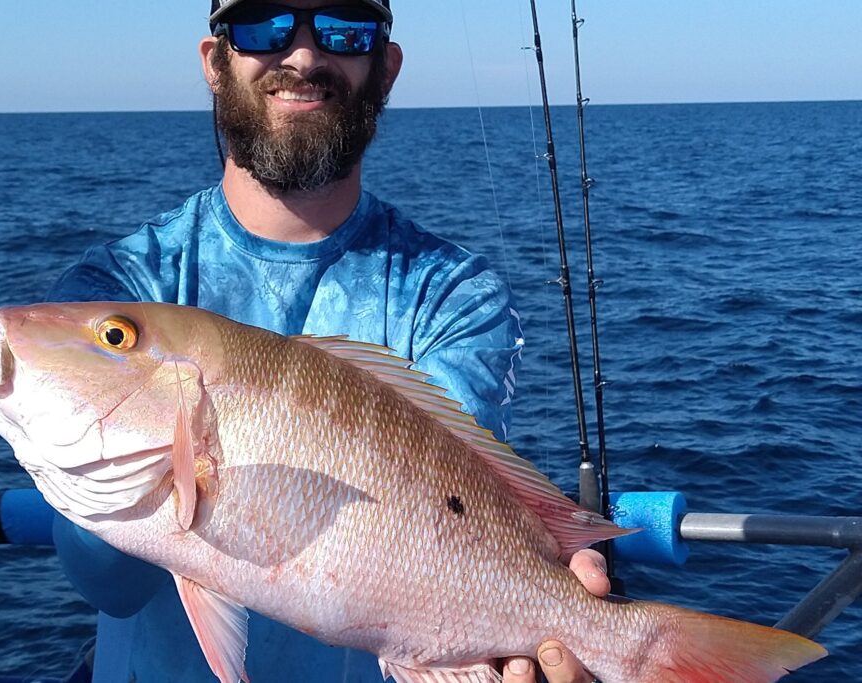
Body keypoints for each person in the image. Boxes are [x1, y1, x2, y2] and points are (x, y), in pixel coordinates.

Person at [47, 1, 610, 681]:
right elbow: (112, 585)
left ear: (386, 67)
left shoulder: (453, 296)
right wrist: (165, 475)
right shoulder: (123, 284)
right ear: (214, 63)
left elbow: (455, 508)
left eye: (345, 28)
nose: (305, 56)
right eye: (264, 23)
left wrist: (558, 609)